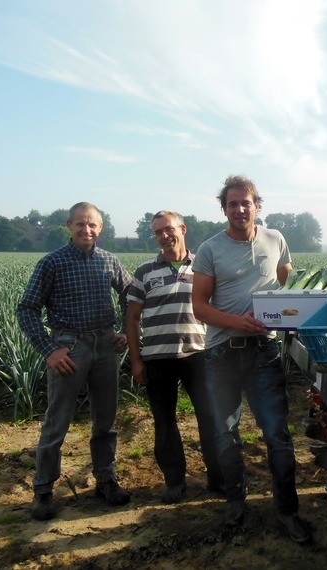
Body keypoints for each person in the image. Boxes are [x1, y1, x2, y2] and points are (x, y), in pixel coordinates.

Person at [192, 174, 312, 544]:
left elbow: (283, 284)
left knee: (277, 433)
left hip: (263, 352)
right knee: (226, 433)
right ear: (224, 209)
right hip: (222, 353)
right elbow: (199, 306)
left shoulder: (276, 240)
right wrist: (236, 321)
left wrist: (283, 318)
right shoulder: (210, 249)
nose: (239, 209)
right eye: (232, 204)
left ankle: (288, 511)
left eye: (246, 202)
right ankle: (235, 503)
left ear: (257, 205)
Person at [18, 201, 133, 521]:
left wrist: (126, 328)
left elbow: (130, 294)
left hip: (105, 346)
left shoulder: (110, 260)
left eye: (92, 224)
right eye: (80, 224)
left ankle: (106, 480)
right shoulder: (52, 263)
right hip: (69, 348)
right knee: (57, 421)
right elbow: (27, 309)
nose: (87, 229)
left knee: (106, 419)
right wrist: (49, 349)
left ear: (101, 228)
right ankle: (43, 490)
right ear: (69, 225)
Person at [124, 210, 224, 504]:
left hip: (199, 356)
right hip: (157, 358)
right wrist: (136, 360)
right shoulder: (144, 272)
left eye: (168, 229)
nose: (164, 236)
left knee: (210, 419)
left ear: (182, 229)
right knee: (164, 421)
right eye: (157, 233)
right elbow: (132, 319)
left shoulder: (204, 267)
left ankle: (217, 480)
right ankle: (174, 482)